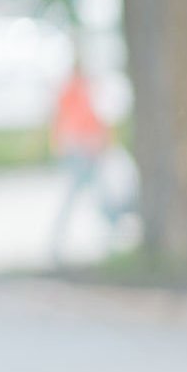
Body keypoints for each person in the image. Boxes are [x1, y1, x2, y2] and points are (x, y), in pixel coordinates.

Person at [46, 57, 128, 265]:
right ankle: (60, 239)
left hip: (90, 150)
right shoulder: (75, 90)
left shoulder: (87, 88)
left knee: (98, 194)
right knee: (84, 195)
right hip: (81, 150)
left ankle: (110, 235)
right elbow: (69, 122)